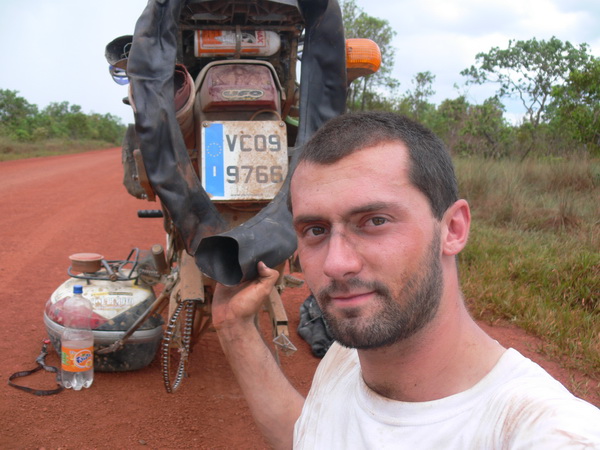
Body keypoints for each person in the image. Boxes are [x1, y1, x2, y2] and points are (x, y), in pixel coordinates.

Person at [211, 111, 600, 449]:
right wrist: (234, 329)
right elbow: (311, 437)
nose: (336, 264)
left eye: (375, 222)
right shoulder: (348, 357)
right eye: (315, 230)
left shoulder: (546, 432)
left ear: (452, 229)